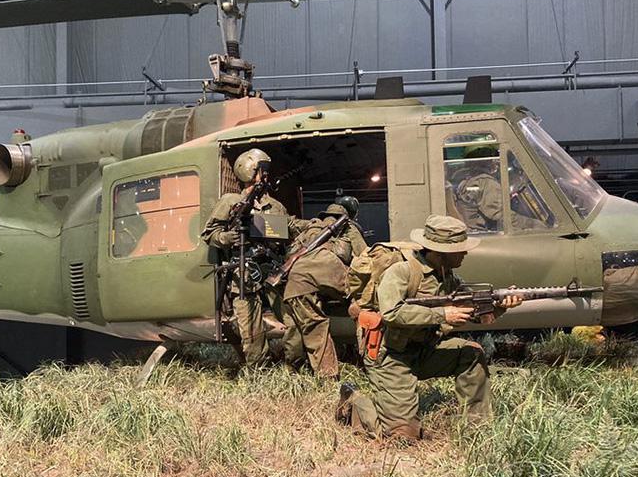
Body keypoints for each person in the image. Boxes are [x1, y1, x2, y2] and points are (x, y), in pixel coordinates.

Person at [336, 214, 523, 441]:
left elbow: (477, 316)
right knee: (402, 436)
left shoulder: (449, 279)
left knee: (472, 353)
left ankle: (477, 428)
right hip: (391, 357)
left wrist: (500, 306)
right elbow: (391, 312)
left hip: (425, 349)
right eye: (459, 249)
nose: (465, 253)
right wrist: (442, 314)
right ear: (439, 252)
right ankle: (353, 401)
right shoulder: (402, 272)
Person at [202, 148, 294, 367]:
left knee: (292, 319)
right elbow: (209, 234)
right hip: (244, 272)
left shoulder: (276, 206)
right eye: (262, 170)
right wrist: (228, 237)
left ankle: (293, 363)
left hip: (273, 270)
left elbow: (289, 232)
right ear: (249, 171)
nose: (266, 175)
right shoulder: (231, 201)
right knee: (251, 330)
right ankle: (259, 371)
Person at [281, 203, 352, 378]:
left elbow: (288, 228)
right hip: (329, 268)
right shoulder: (344, 234)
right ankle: (328, 376)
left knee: (301, 327)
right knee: (362, 304)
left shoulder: (308, 228)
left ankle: (293, 371)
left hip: (296, 283)